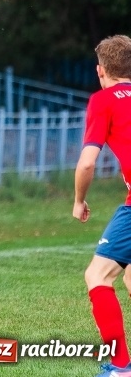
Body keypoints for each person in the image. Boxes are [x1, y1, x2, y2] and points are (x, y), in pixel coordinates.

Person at [72, 35, 131, 377]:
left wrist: (79, 201)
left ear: (101, 71)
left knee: (97, 275)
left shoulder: (103, 100)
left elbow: (87, 163)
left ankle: (121, 367)